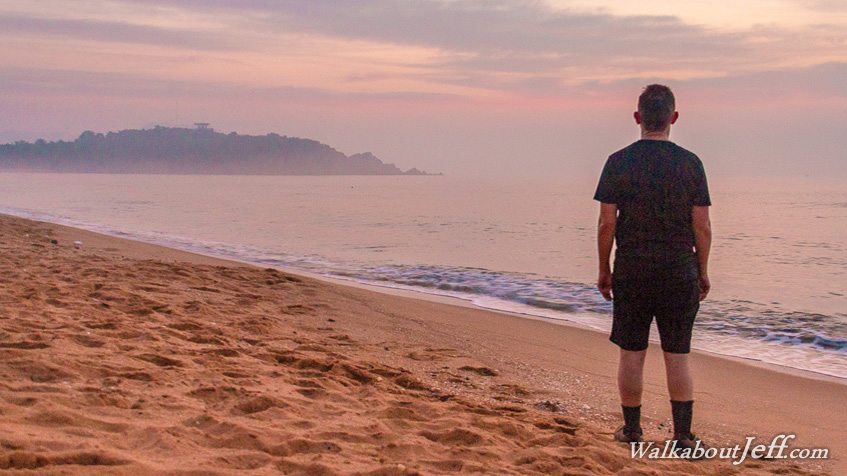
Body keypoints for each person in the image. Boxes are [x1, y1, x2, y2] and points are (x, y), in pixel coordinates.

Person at [593, 84, 712, 451]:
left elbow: (606, 223)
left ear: (637, 117)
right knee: (678, 354)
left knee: (632, 352)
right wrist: (703, 271)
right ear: (673, 117)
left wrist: (604, 268)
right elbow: (702, 227)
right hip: (679, 269)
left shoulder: (619, 161)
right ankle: (682, 437)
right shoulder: (690, 164)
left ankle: (632, 431)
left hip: (632, 268)